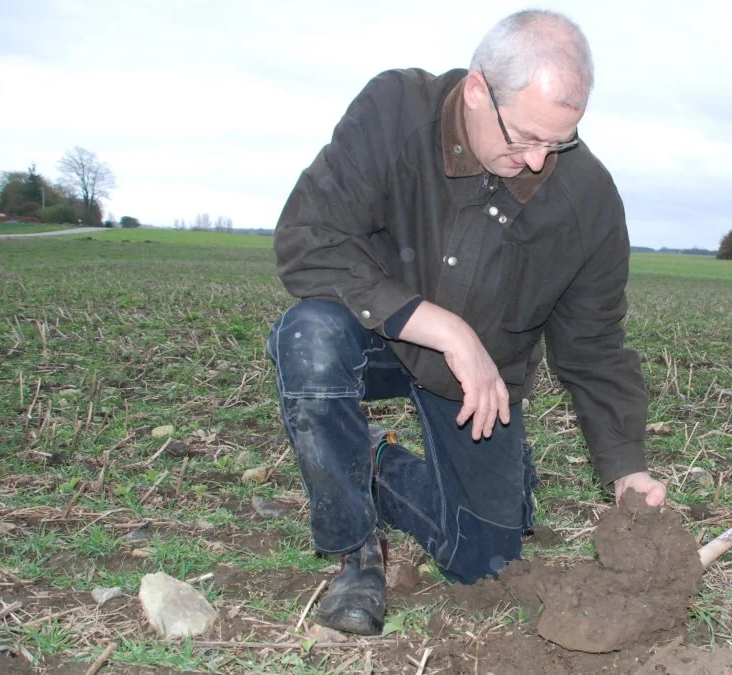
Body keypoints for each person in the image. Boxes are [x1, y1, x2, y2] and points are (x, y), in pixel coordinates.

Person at [266, 9, 666, 636]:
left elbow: (593, 346)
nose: (537, 161)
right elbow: (307, 239)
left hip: (474, 388)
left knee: (485, 563)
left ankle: (373, 465)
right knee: (308, 336)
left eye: (557, 142)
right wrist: (447, 329)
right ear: (478, 90)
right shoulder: (397, 109)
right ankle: (357, 554)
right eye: (525, 137)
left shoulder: (587, 199)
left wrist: (625, 466)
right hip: (374, 336)